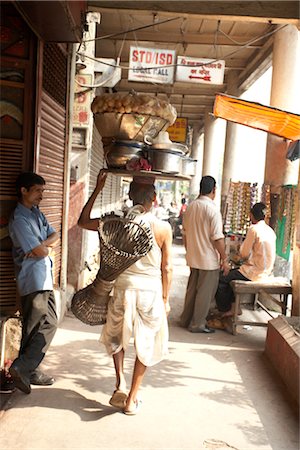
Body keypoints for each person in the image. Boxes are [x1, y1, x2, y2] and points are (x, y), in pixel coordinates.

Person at [78, 170, 173, 415]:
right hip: (150, 291)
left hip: (123, 288)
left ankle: (119, 381)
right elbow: (167, 267)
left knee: (117, 337)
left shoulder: (116, 223)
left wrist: (98, 188)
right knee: (147, 342)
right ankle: (131, 399)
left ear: (130, 196)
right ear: (153, 198)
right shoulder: (163, 227)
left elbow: (82, 220)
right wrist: (165, 298)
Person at [8, 172, 59, 394]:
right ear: (24, 191)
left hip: (44, 277)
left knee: (51, 323)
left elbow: (54, 236)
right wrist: (43, 247)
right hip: (32, 280)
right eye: (37, 190)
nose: (41, 195)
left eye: (42, 191)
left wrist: (42, 246)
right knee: (33, 326)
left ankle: (27, 367)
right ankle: (23, 369)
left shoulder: (36, 214)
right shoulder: (19, 219)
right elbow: (38, 250)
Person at [180, 176, 230, 333]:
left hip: (193, 256)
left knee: (192, 290)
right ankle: (198, 324)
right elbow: (218, 238)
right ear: (214, 190)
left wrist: (189, 251)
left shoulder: (191, 206)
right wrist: (224, 259)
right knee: (204, 293)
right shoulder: (212, 209)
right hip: (208, 259)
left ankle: (186, 319)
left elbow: (185, 234)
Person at [215, 202, 276, 317]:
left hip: (254, 273)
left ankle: (225, 309)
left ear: (251, 215)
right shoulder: (270, 231)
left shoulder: (253, 229)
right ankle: (234, 307)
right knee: (232, 275)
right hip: (266, 272)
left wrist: (237, 251)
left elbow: (243, 254)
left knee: (222, 277)